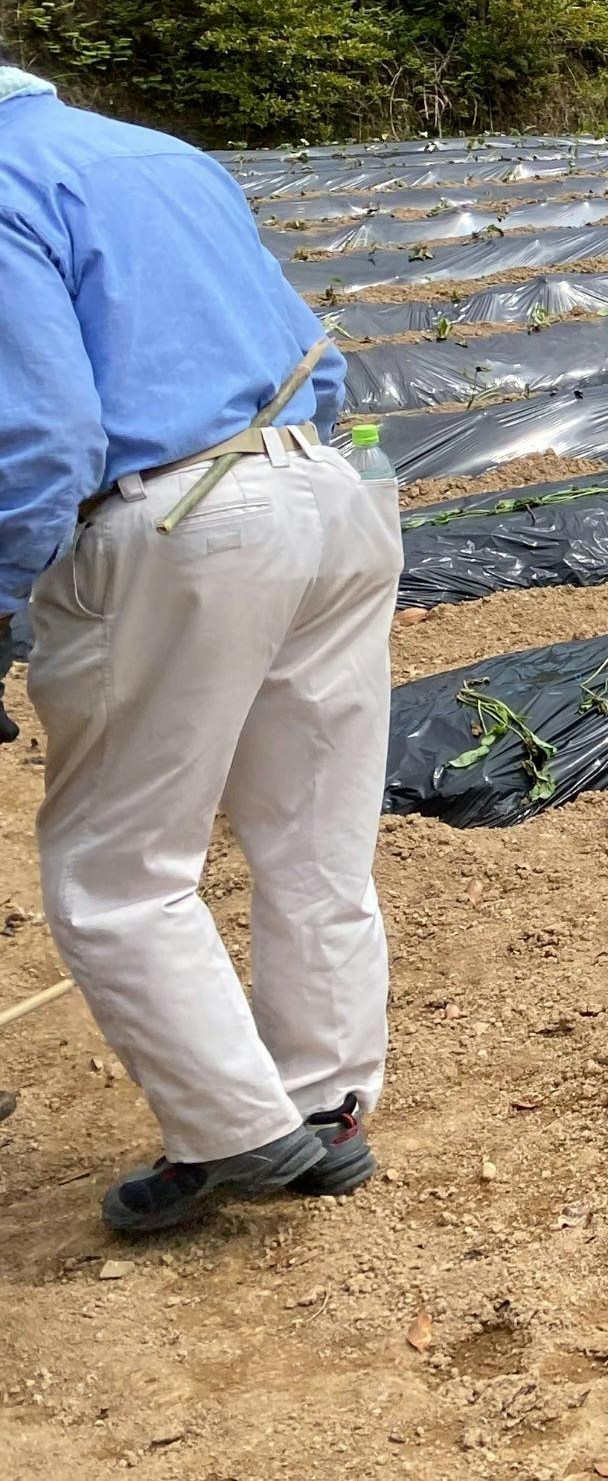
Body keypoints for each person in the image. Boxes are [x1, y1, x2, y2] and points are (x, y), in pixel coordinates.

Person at [0, 62, 400, 1233]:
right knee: (313, 831)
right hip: (329, 492)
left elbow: (42, 435)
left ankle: (234, 1134)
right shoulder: (159, 155)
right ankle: (323, 1103)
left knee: (117, 869)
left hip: (180, 518)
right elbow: (312, 355)